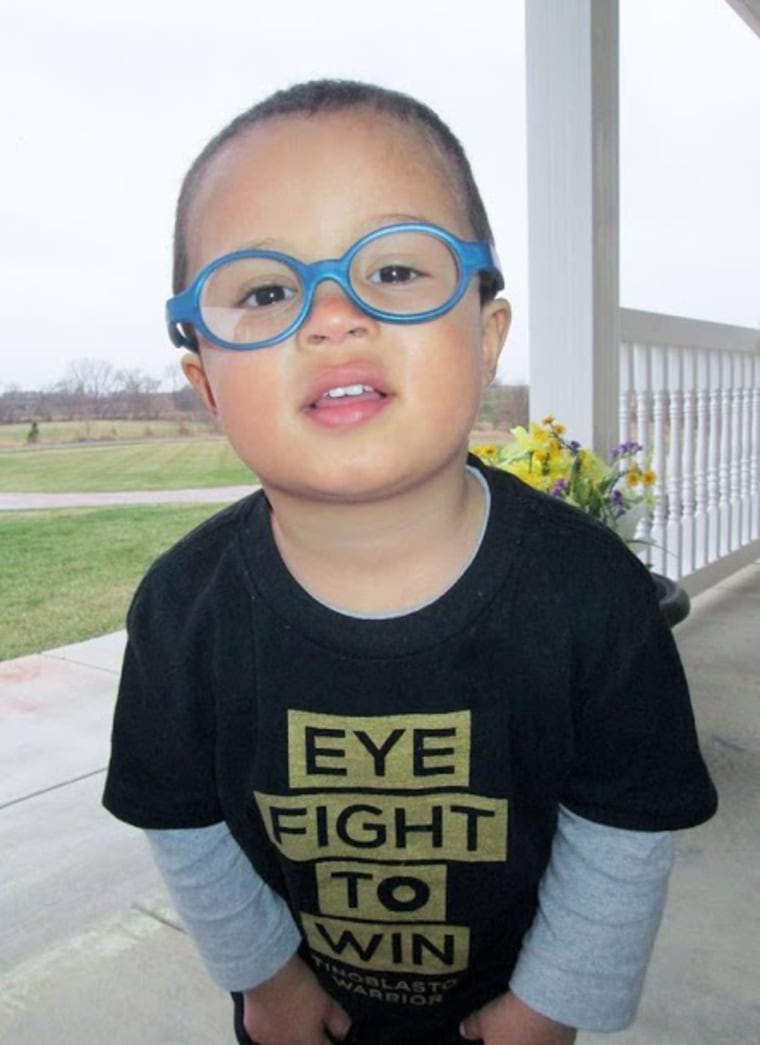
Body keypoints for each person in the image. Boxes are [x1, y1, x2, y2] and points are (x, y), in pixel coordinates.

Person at [103, 79, 717, 1045]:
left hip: (509, 1009)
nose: (334, 313)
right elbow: (181, 818)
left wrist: (551, 1005)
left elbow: (622, 821)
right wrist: (266, 981)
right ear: (206, 386)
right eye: (266, 290)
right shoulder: (184, 610)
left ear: (485, 337)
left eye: (392, 270)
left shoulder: (593, 595)